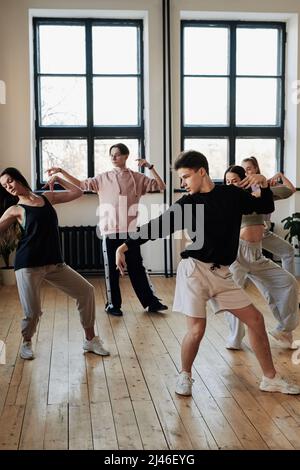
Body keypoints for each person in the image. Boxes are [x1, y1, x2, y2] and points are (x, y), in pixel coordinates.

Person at [115, 150, 300, 396]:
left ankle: (270, 378)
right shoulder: (187, 204)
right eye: (181, 178)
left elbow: (263, 205)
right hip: (194, 271)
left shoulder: (231, 194)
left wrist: (263, 183)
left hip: (223, 273)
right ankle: (185, 375)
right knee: (197, 330)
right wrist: (125, 245)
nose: (183, 183)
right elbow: (157, 226)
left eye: (186, 177)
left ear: (202, 171)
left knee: (256, 320)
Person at [0, 167, 109, 360]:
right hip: (28, 265)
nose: (8, 187)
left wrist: (59, 178)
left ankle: (90, 340)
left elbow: (78, 192)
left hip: (54, 263)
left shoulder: (46, 198)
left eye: (9, 181)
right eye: (4, 186)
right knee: (33, 312)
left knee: (86, 291)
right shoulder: (15, 209)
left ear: (18, 178)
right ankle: (26, 342)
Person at [47, 143, 168, 316]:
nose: (113, 157)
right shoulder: (103, 178)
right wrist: (61, 172)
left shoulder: (138, 178)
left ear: (126, 156)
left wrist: (150, 167)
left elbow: (161, 186)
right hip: (110, 231)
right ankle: (113, 305)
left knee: (137, 268)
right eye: (111, 155)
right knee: (111, 270)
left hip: (131, 231)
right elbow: (81, 184)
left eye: (117, 154)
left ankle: (151, 303)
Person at [224, 165, 299, 350]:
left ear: (244, 179)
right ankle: (235, 337)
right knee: (234, 295)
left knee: (288, 283)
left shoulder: (259, 194)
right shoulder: (227, 197)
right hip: (236, 254)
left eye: (234, 181)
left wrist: (265, 181)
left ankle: (284, 329)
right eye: (227, 181)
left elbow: (288, 191)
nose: (231, 185)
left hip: (256, 254)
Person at [242, 156, 296, 275]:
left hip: (264, 230)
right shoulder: (242, 188)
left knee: (287, 252)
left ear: (256, 169)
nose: (246, 172)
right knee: (246, 267)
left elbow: (290, 190)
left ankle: (290, 283)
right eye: (244, 170)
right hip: (246, 232)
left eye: (249, 169)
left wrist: (280, 175)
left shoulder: (265, 186)